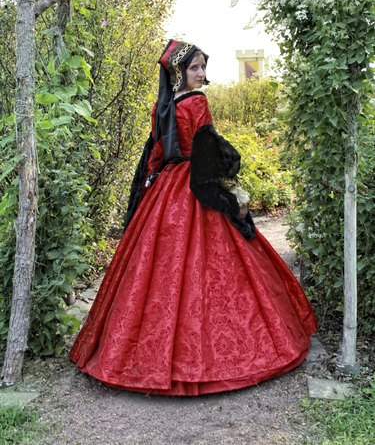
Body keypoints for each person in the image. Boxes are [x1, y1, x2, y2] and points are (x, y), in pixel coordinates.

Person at [70, 39, 317, 396]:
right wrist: (230, 193)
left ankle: (135, 356)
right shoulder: (197, 103)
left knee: (155, 272)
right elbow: (206, 159)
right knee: (214, 269)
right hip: (193, 186)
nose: (201, 74)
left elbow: (156, 155)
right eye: (194, 68)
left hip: (167, 189)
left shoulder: (164, 105)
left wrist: (152, 188)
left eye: (202, 67)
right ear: (179, 72)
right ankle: (215, 358)